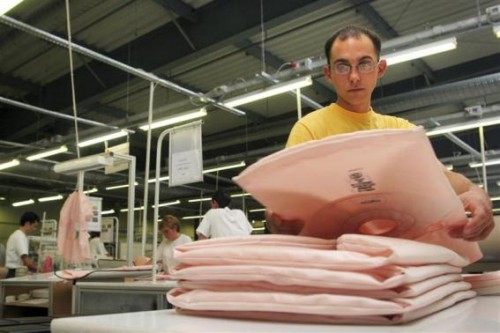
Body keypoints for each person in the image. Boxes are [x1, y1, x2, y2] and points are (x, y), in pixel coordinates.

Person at [266, 25, 494, 242]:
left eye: (364, 64)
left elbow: (440, 177)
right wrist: (278, 216)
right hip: (336, 258)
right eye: (343, 66)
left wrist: (475, 192)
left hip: (398, 253)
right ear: (329, 74)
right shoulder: (310, 129)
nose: (354, 77)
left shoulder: (401, 131)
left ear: (380, 69)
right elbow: (285, 201)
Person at [5, 211, 40, 278]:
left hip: (15, 272)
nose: (34, 229)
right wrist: (39, 269)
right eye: (34, 226)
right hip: (15, 273)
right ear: (27, 223)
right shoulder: (20, 237)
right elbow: (26, 261)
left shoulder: (17, 235)